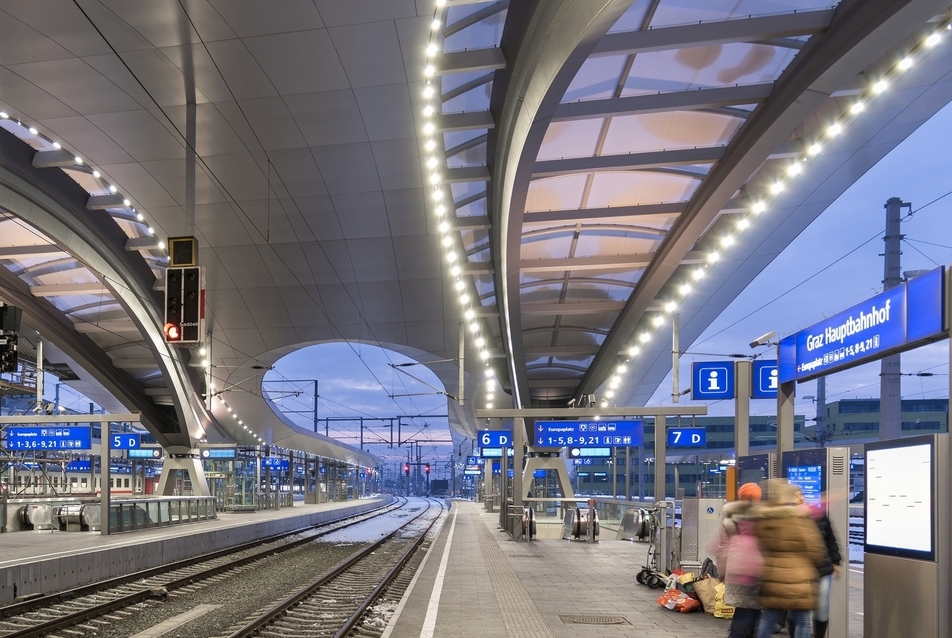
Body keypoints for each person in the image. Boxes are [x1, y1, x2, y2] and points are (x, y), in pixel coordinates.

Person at [753, 479, 827, 638]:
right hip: (797, 579)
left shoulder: (765, 519)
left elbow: (760, 545)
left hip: (773, 576)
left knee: (768, 620)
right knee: (803, 622)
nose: (801, 498)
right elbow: (816, 550)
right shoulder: (799, 520)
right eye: (797, 495)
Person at [714, 482, 764, 638]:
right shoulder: (763, 519)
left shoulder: (730, 519)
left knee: (743, 610)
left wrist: (721, 573)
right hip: (755, 569)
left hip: (735, 570)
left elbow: (722, 549)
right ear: (758, 497)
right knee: (751, 611)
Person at [808, 491, 842, 638]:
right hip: (801, 568)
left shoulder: (822, 517)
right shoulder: (792, 517)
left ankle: (819, 636)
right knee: (797, 606)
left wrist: (835, 561)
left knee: (821, 605)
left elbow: (831, 540)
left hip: (823, 567)